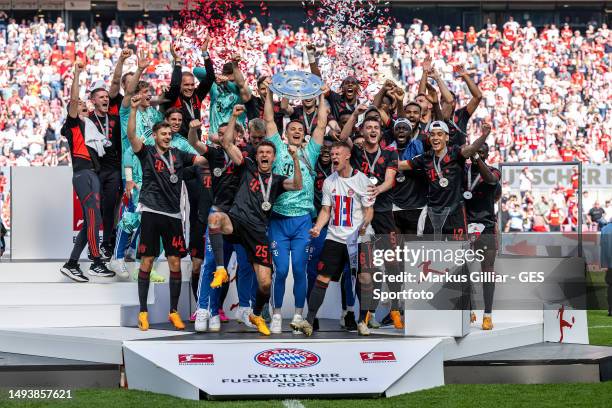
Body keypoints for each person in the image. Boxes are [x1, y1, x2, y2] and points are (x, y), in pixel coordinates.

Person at [204, 127, 303, 336]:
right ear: (256, 156)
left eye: (268, 153)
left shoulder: (277, 180)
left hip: (258, 232)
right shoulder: (246, 167)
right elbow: (228, 144)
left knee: (265, 284)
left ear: (274, 157)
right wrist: (233, 118)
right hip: (238, 221)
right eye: (261, 152)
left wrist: (295, 160)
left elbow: (297, 185)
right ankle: (221, 268)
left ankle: (256, 314)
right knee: (214, 219)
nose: (265, 155)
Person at [125, 95, 208, 331]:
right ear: (155, 136)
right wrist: (132, 111)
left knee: (174, 263)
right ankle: (143, 312)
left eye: (169, 134)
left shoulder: (179, 155)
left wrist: (211, 150)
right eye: (163, 134)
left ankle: (173, 312)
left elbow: (201, 158)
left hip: (173, 215)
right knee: (148, 261)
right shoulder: (147, 152)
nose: (167, 136)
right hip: (151, 211)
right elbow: (131, 136)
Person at [264, 79, 328, 334]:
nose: (297, 130)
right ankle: (277, 313)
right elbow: (269, 121)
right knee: (280, 271)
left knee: (300, 269)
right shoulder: (278, 149)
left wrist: (322, 97)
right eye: (293, 127)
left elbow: (321, 123)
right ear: (286, 132)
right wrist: (269, 91)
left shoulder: (311, 152)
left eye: (301, 128)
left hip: (303, 220)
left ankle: (299, 316)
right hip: (279, 219)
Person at [292, 141, 375, 336]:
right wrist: (317, 227)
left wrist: (363, 225)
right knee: (322, 277)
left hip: (359, 240)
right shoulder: (329, 181)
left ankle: (363, 320)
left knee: (364, 278)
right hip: (335, 238)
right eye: (332, 154)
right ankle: (309, 321)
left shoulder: (364, 181)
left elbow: (369, 211)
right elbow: (326, 210)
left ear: (347, 156)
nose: (334, 157)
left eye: (338, 154)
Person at [60, 61, 115, 282]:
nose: (84, 106)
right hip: (83, 174)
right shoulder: (73, 125)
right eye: (81, 105)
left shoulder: (90, 128)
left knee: (92, 219)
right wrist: (76, 74)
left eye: (85, 105)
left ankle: (72, 263)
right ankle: (96, 262)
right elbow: (74, 99)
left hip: (93, 173)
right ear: (73, 111)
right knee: (94, 215)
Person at [398, 121, 491, 241]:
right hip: (433, 212)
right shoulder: (425, 157)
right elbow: (401, 165)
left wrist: (483, 136)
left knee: (458, 252)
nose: (435, 138)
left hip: (455, 211)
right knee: (432, 252)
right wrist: (384, 157)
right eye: (432, 134)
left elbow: (471, 149)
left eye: (439, 134)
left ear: (446, 137)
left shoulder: (456, 153)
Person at [464, 138, 501, 330]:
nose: (479, 153)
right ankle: (468, 309)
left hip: (485, 226)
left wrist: (478, 159)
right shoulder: (463, 171)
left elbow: (493, 185)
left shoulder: (493, 170)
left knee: (487, 270)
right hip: (464, 226)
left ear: (486, 154)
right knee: (462, 270)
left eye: (483, 151)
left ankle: (487, 314)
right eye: (476, 151)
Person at [88, 81, 123, 260]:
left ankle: (107, 243)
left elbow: (121, 145)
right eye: (101, 97)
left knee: (109, 207)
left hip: (113, 169)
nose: (105, 100)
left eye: (107, 97)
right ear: (93, 100)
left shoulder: (115, 120)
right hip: (95, 170)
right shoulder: (87, 120)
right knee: (95, 208)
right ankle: (92, 243)